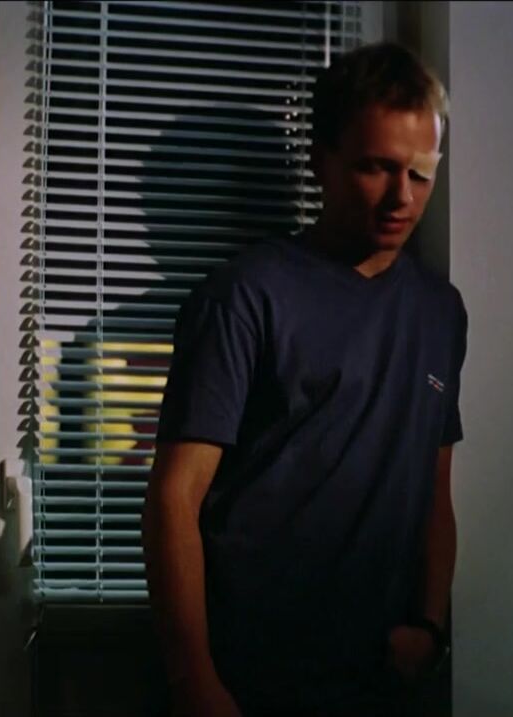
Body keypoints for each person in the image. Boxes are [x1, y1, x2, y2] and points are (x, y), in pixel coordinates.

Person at [142, 42, 466, 717]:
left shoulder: (440, 310)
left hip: (381, 682)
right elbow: (175, 497)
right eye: (376, 168)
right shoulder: (245, 297)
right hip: (250, 678)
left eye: (421, 173)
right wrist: (194, 681)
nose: (402, 197)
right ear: (322, 161)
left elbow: (435, 490)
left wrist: (431, 627)